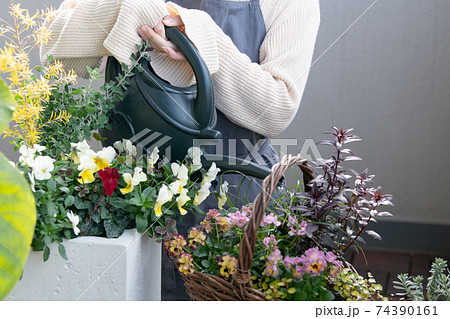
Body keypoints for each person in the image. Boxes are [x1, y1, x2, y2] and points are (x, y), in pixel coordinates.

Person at [41, 0, 320, 300]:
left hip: (235, 208)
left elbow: (275, 108)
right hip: (137, 200)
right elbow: (54, 47)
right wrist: (129, 8)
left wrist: (198, 36)